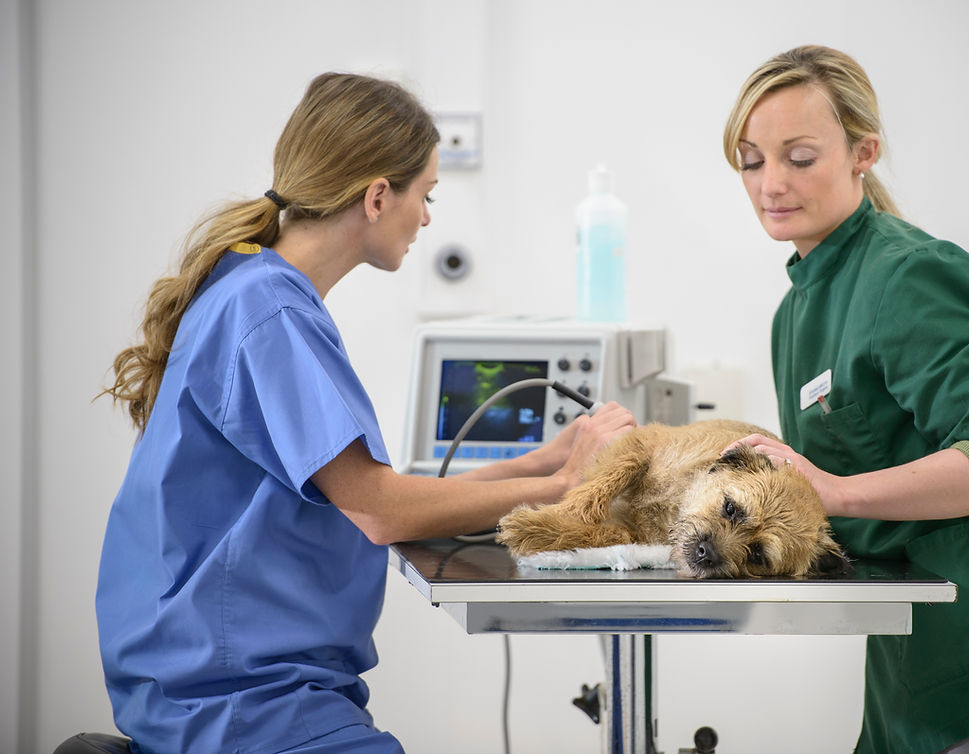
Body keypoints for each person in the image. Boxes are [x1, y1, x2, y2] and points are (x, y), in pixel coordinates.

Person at [96, 72, 635, 754]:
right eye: (427, 195)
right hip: (238, 703)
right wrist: (563, 488)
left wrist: (541, 460)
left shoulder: (249, 285)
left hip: (220, 685)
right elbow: (380, 511)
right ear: (378, 195)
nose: (429, 217)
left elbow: (368, 495)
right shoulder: (271, 310)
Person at [721, 46, 969, 753]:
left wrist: (834, 492)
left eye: (799, 157)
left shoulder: (909, 274)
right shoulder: (796, 310)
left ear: (862, 152)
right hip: (913, 643)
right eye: (751, 160)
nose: (769, 183)